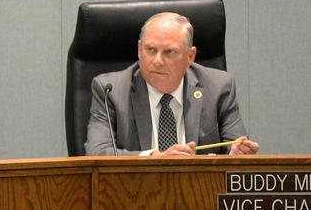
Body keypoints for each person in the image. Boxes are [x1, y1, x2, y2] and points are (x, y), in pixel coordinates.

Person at [84, 12, 259, 157]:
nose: (158, 61)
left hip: (200, 191)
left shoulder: (219, 87)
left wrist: (237, 154)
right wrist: (155, 159)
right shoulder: (110, 90)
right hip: (135, 191)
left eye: (169, 52)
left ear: (190, 56)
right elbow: (97, 153)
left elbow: (236, 145)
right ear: (139, 50)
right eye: (151, 50)